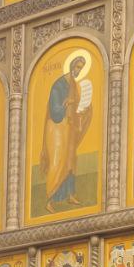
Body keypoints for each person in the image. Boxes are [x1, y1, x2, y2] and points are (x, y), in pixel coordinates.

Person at [41, 54, 92, 213]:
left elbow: (75, 109)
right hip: (56, 128)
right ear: (71, 66)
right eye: (77, 67)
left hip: (68, 129)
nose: (78, 71)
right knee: (57, 161)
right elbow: (54, 109)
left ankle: (70, 195)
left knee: (70, 161)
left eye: (81, 69)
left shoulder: (73, 85)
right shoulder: (59, 85)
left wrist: (83, 110)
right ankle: (49, 199)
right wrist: (66, 104)